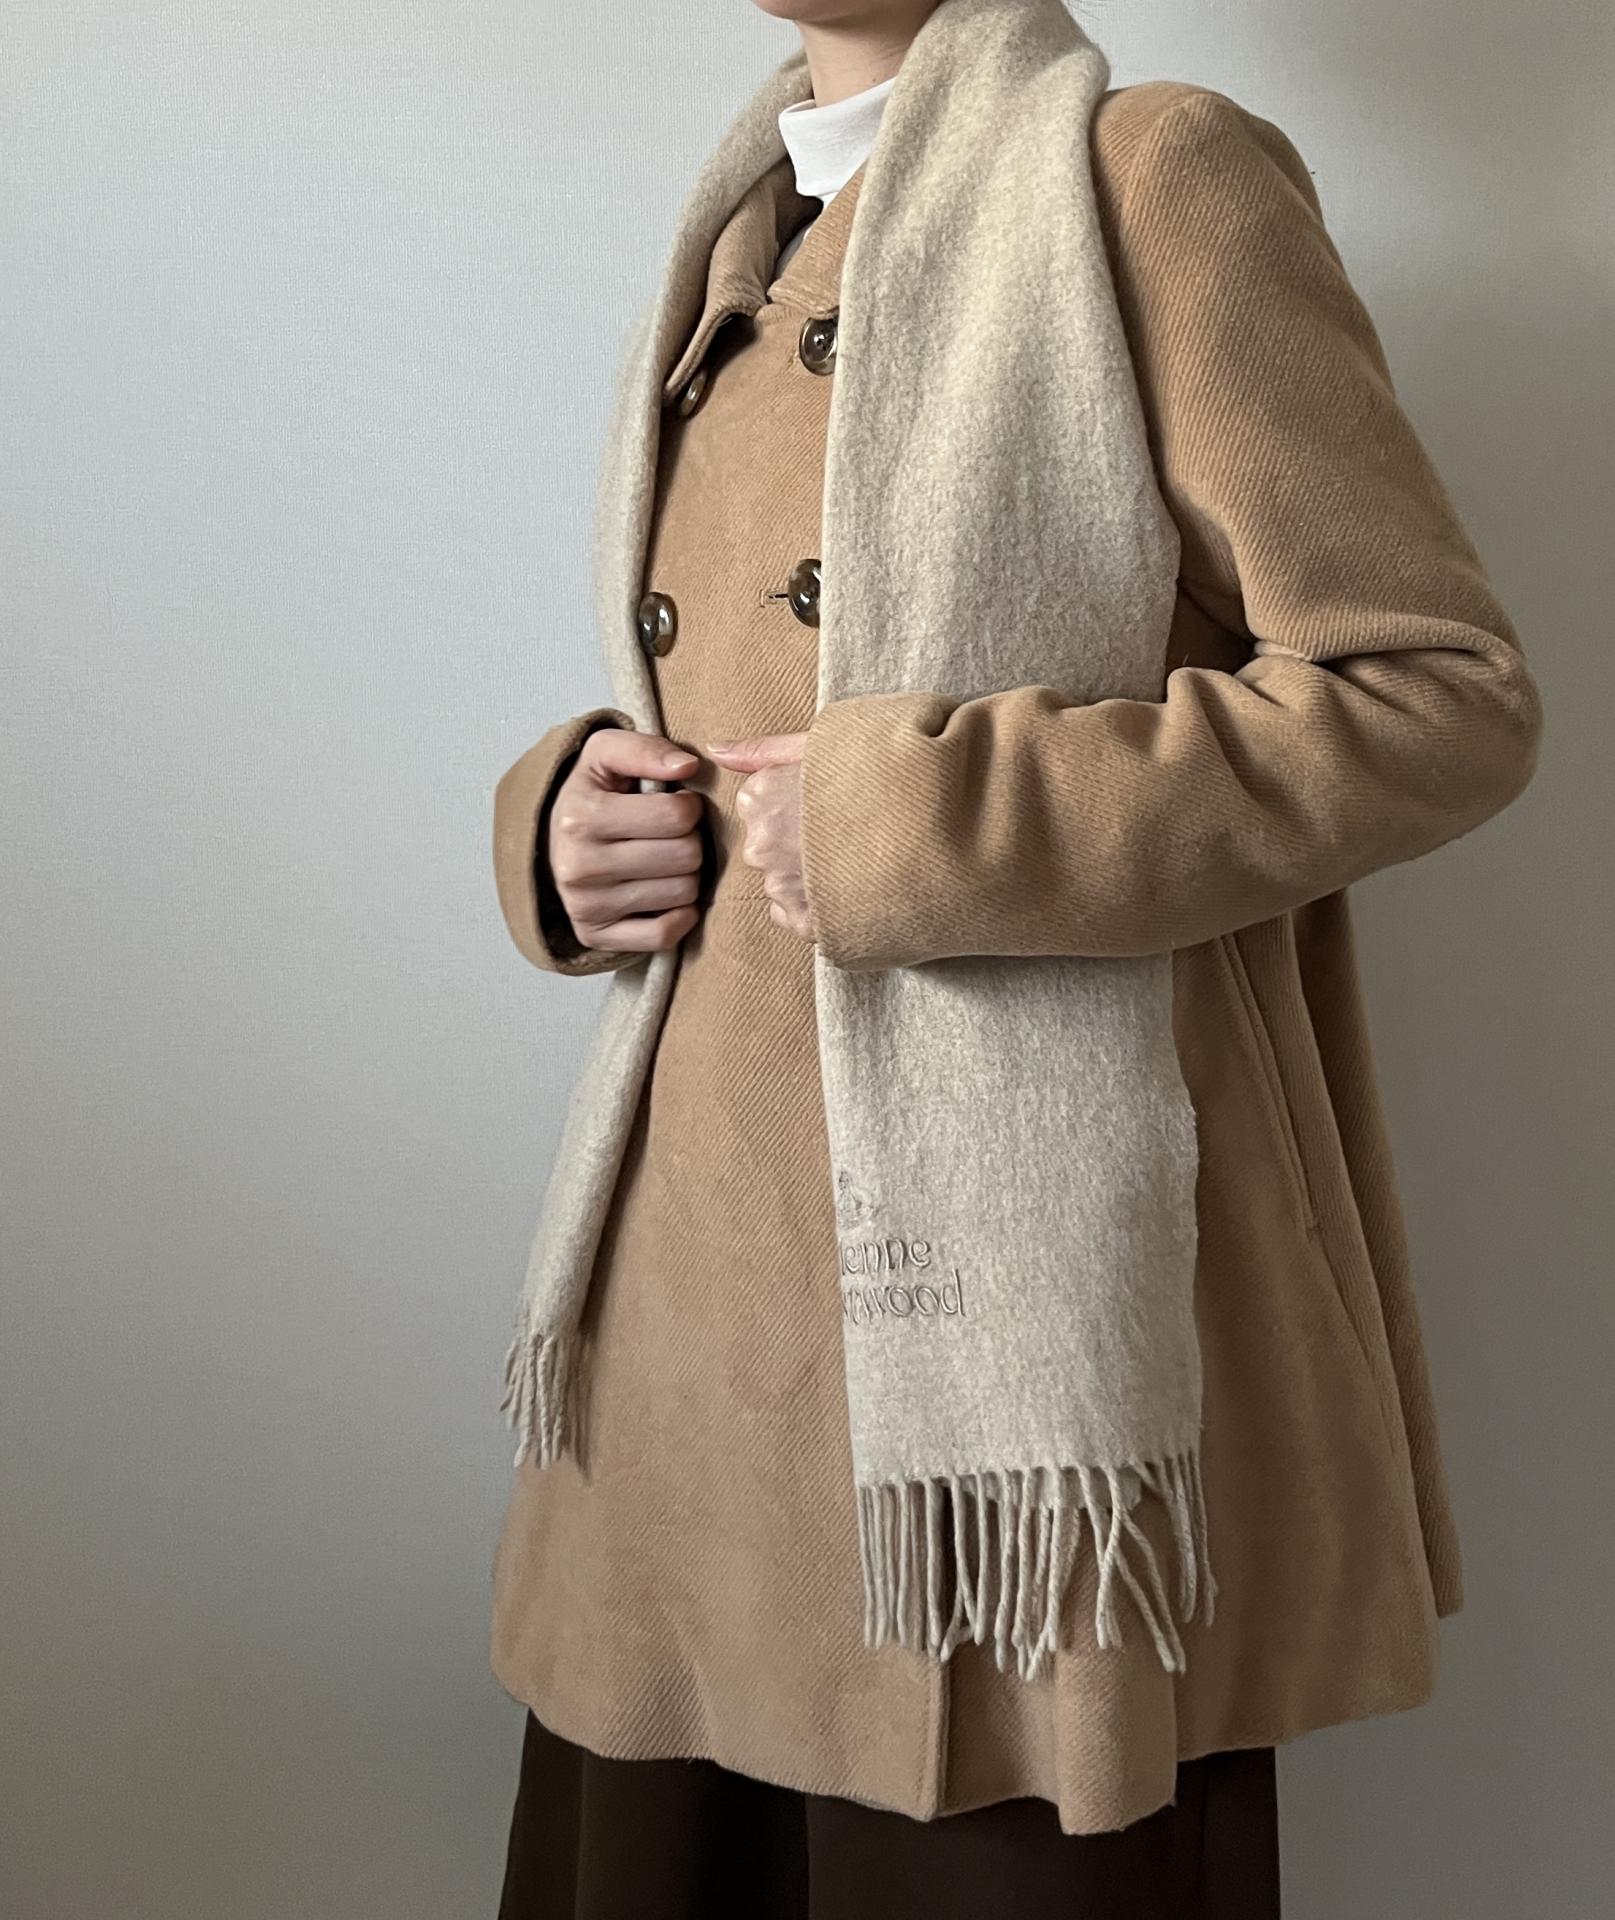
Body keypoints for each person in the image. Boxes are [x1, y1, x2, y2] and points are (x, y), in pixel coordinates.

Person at [488, 0, 1543, 1912]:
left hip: (1006, 1401)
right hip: (692, 1361)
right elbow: (745, 721)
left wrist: (925, 824)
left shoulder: (1152, 177)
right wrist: (568, 827)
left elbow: (1433, 700)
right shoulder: (740, 243)